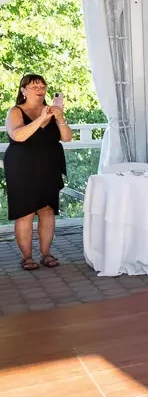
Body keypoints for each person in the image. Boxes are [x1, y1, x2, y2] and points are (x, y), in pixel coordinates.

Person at [3, 74, 71, 270]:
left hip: (49, 165)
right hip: (22, 166)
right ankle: (26, 257)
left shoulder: (52, 110)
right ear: (23, 90)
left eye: (42, 85)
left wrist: (59, 118)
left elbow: (66, 138)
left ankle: (46, 253)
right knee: (25, 212)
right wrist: (41, 118)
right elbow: (18, 135)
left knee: (47, 210)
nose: (40, 88)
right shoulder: (15, 111)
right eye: (34, 86)